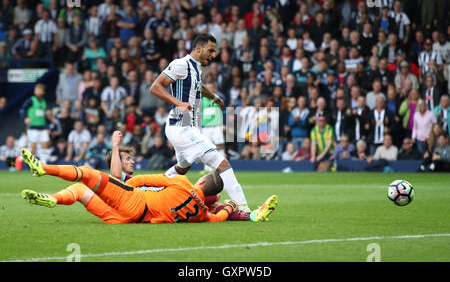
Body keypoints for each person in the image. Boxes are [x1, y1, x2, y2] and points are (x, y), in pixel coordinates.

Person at [20, 148, 278, 224]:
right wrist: (232, 205)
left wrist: (127, 185)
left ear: (200, 180)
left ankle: (44, 169)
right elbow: (218, 217)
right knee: (79, 191)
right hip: (130, 219)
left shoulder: (180, 182)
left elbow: (148, 179)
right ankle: (53, 199)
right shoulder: (201, 213)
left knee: (86, 175)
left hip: (133, 201)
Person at [149, 33, 250, 211]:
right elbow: (155, 86)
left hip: (187, 126)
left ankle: (150, 194)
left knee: (182, 168)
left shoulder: (196, 68)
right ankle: (243, 207)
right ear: (198, 48)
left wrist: (214, 96)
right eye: (210, 50)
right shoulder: (180, 64)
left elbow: (197, 86)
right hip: (182, 126)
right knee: (222, 163)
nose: (213, 55)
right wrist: (178, 103)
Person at [19, 83, 50, 156]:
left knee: (45, 144)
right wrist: (25, 118)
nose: (37, 91)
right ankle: (34, 164)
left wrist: (48, 126)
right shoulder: (30, 100)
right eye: (36, 90)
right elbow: (22, 109)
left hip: (42, 127)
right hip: (33, 127)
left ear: (43, 92)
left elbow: (44, 115)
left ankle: (44, 162)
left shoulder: (44, 101)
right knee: (33, 145)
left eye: (40, 90)